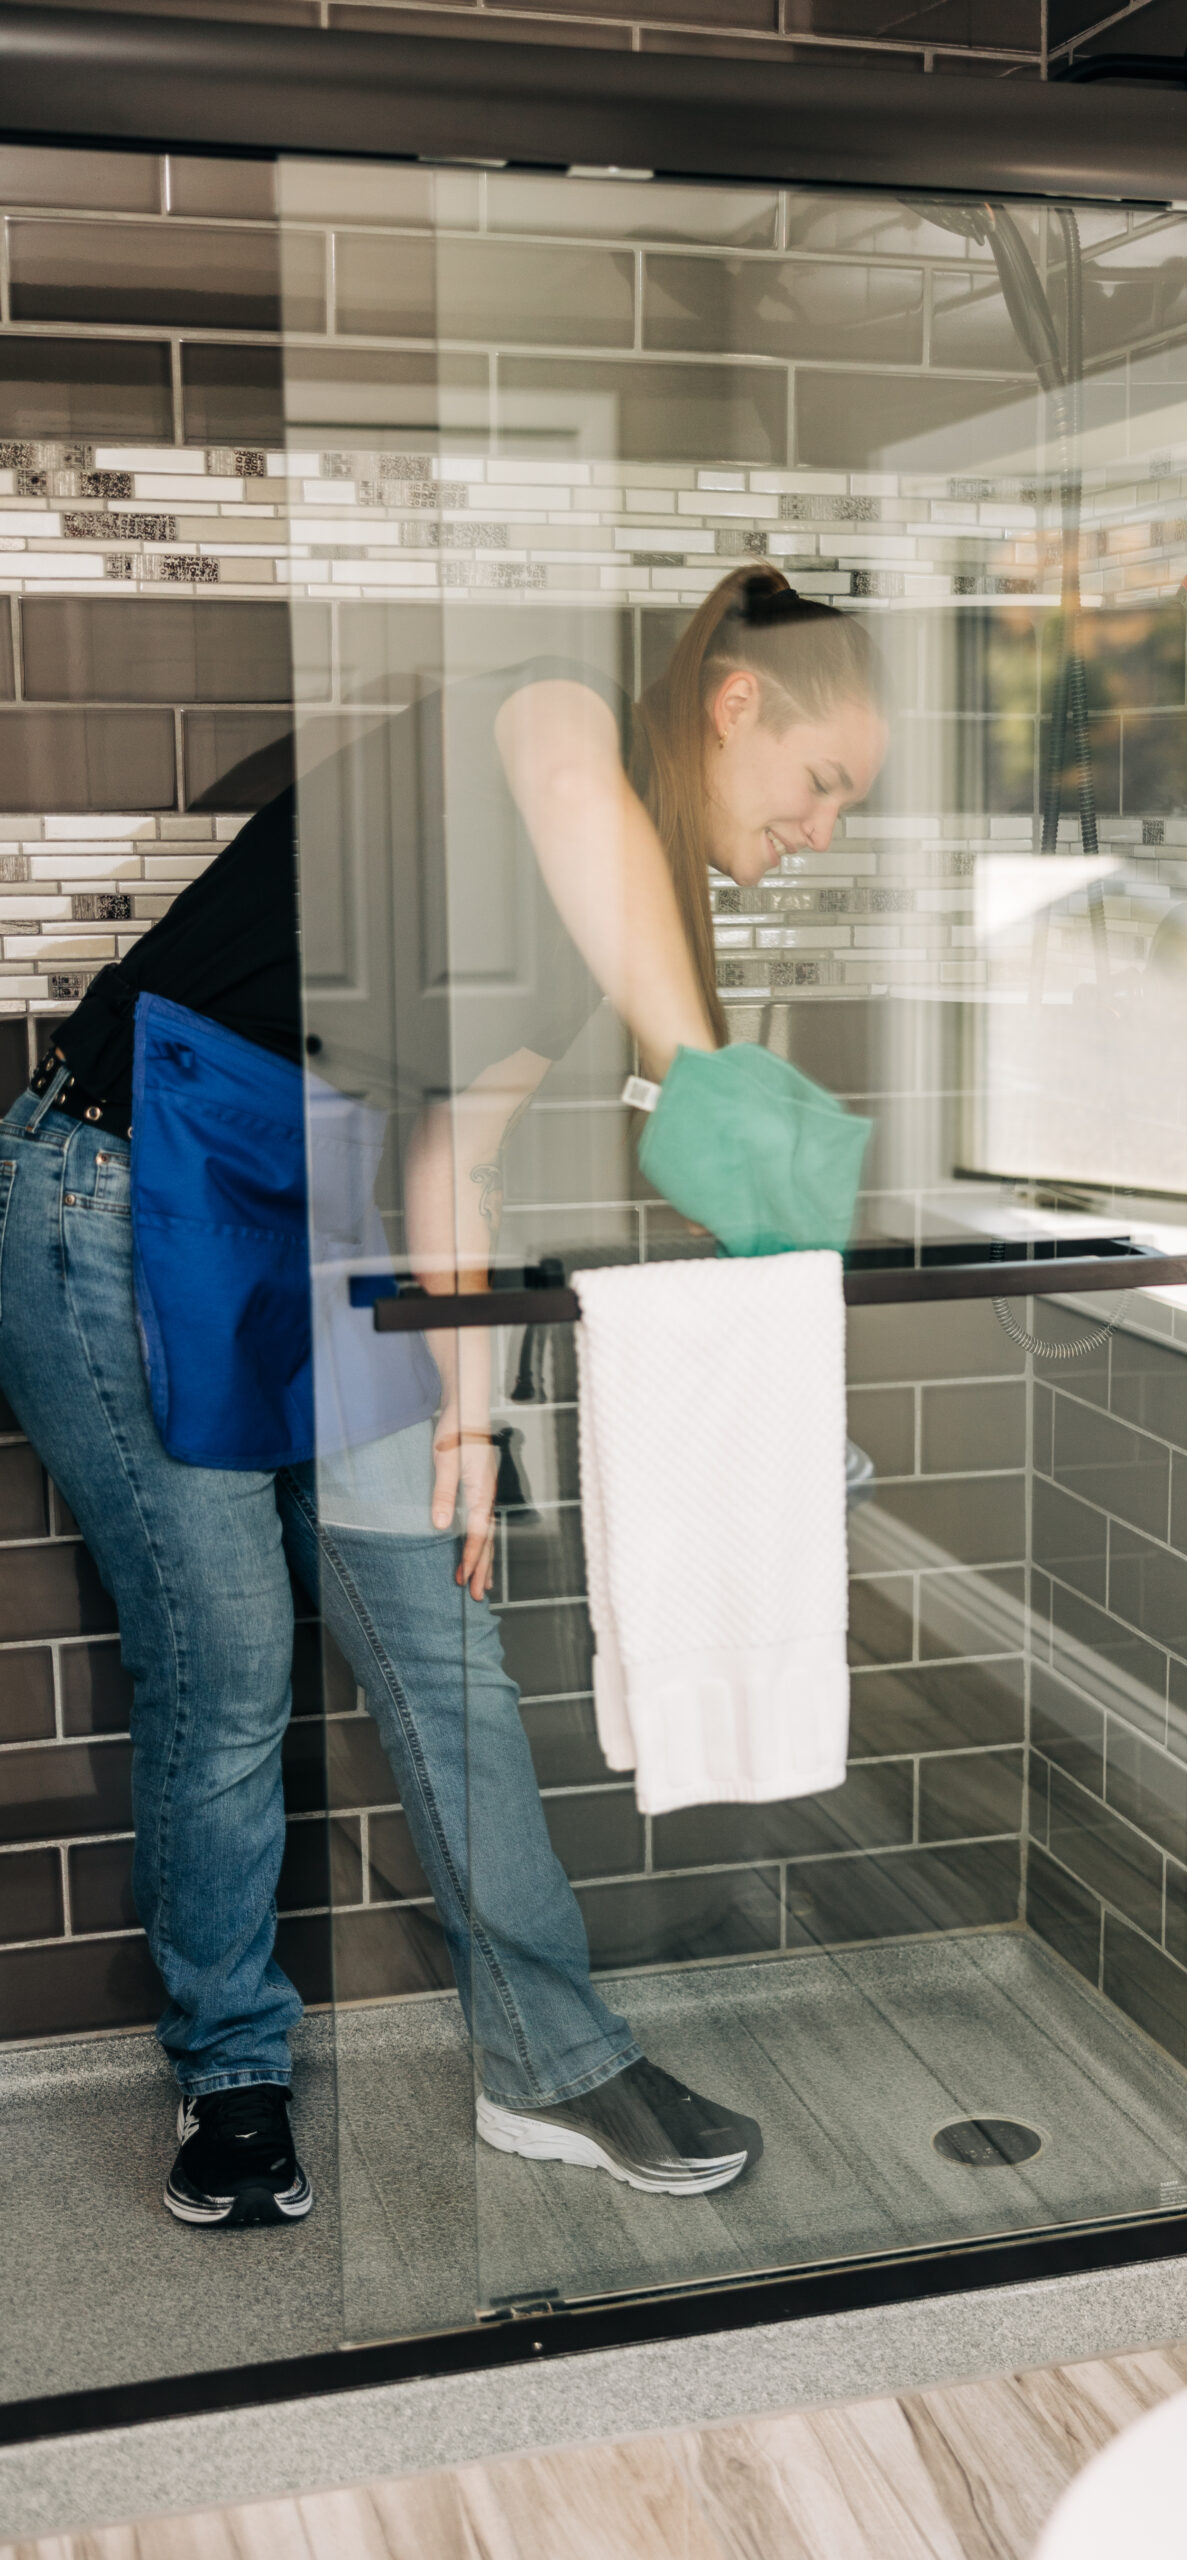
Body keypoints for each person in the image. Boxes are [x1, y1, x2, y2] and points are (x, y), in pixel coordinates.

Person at [0, 566, 887, 2229]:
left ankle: (550, 2062)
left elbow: (449, 1165)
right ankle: (233, 2071)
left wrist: (469, 1426)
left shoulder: (573, 941)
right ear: (736, 703)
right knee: (230, 1667)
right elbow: (569, 788)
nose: (824, 828)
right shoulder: (551, 708)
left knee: (439, 1636)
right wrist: (715, 1086)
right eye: (825, 782)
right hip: (114, 1201)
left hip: (339, 1239)